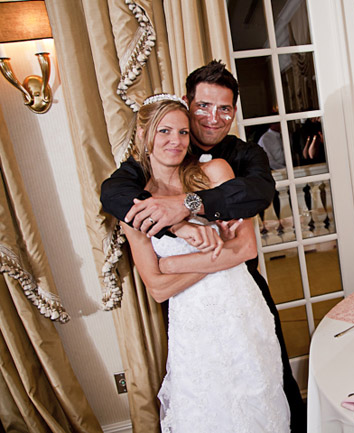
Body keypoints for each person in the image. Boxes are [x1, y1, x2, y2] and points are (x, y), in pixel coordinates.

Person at [100, 61, 306, 431]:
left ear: (234, 112)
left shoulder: (231, 162)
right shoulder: (135, 186)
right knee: (207, 404)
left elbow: (254, 216)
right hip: (192, 314)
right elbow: (113, 195)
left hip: (242, 297)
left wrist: (183, 220)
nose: (213, 118)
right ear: (188, 103)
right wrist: (178, 227)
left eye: (224, 109)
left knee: (271, 392)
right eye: (204, 107)